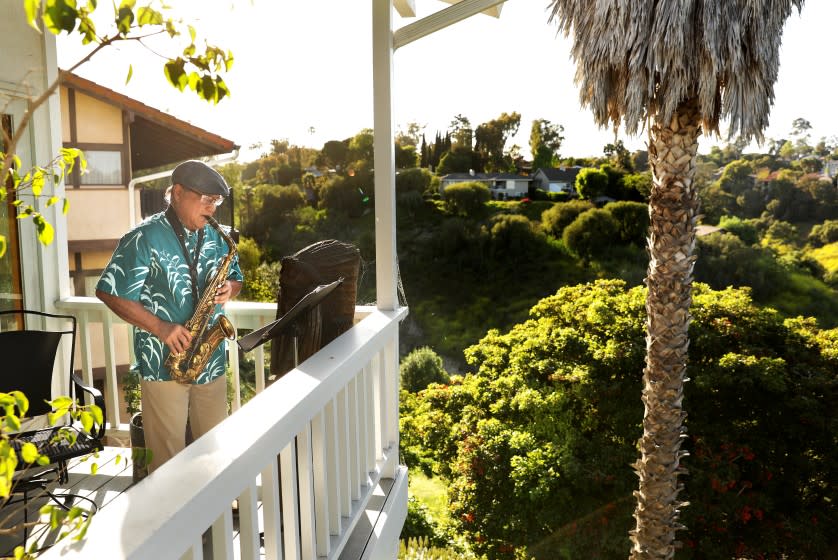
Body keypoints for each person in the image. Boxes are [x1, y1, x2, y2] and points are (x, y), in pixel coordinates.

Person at [96, 160, 243, 472]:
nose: (212, 209)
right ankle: (169, 517)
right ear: (177, 193)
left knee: (213, 450)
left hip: (210, 358)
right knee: (166, 461)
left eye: (215, 201)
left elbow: (237, 277)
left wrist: (231, 287)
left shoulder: (220, 237)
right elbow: (109, 291)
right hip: (163, 360)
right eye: (205, 199)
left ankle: (212, 513)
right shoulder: (143, 237)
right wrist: (160, 327)